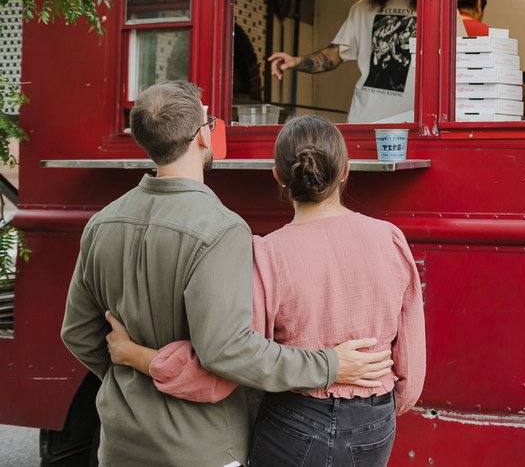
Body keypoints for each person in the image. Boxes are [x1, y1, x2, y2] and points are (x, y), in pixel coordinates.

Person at [60, 81, 392, 467]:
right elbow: (228, 350)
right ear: (202, 137)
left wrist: (130, 377)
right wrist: (329, 365)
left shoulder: (102, 223)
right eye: (211, 120)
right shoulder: (223, 230)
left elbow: (78, 333)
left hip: (119, 442)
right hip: (203, 447)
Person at [268, 0, 418, 124]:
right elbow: (334, 55)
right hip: (365, 121)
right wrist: (296, 61)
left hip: (413, 122)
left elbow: (457, 61)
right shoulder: (365, 7)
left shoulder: (435, 9)